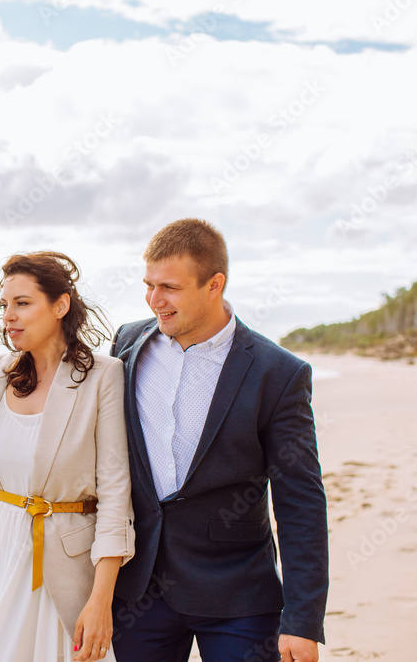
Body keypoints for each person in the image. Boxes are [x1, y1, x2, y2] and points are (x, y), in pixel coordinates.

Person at [109, 219, 329, 662]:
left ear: (214, 284)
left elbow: (300, 500)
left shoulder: (278, 373)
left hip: (239, 596)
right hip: (139, 591)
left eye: (169, 287)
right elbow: (90, 435)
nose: (155, 301)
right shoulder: (127, 344)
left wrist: (302, 621)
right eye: (148, 285)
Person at [0, 251, 135, 662]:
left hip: (59, 571)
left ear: (60, 305)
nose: (8, 317)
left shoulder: (103, 376)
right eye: (4, 306)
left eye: (22, 303)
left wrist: (101, 599)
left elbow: (114, 492)